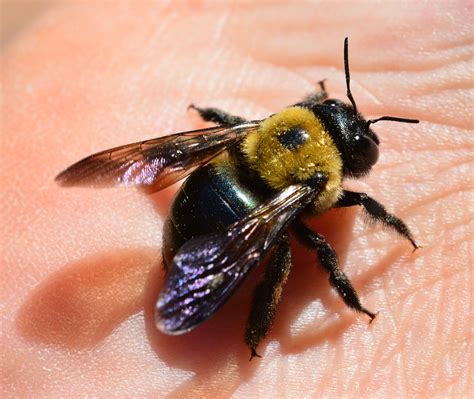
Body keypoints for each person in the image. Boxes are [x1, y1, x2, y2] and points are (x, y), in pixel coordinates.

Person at [2, 2, 471, 397]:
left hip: (204, 195)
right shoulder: (311, 183)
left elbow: (174, 150)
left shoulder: (262, 129)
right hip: (221, 223)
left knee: (235, 163)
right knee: (289, 253)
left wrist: (215, 117)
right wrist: (390, 242)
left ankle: (249, 327)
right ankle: (255, 334)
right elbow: (341, 234)